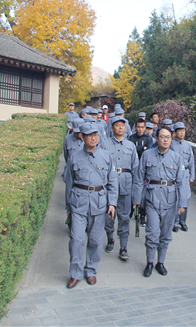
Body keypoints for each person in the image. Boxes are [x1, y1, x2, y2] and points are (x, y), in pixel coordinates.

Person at [63, 123, 118, 288]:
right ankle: (75, 273)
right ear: (82, 137)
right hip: (79, 204)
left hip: (99, 203)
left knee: (95, 240)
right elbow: (69, 184)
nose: (93, 138)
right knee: (76, 240)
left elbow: (113, 182)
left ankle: (91, 270)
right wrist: (68, 207)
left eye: (95, 134)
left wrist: (112, 204)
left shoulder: (106, 156)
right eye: (89, 135)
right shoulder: (75, 157)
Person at [132, 127, 188, 277]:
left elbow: (182, 182)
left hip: (170, 201)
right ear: (156, 138)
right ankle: (149, 262)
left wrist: (182, 204)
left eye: (168, 137)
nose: (165, 139)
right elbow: (139, 179)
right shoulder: (147, 155)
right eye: (162, 136)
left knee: (165, 234)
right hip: (151, 199)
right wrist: (136, 200)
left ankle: (160, 262)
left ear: (171, 139)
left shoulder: (177, 158)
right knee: (152, 233)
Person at [102, 117, 139, 260]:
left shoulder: (130, 146)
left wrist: (136, 193)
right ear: (112, 128)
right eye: (117, 126)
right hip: (109, 186)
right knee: (109, 216)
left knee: (124, 217)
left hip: (126, 185)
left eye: (122, 126)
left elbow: (135, 168)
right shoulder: (104, 145)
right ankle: (110, 238)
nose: (120, 128)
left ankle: (123, 247)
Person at [171, 122, 195, 232]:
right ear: (175, 132)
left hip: (185, 173)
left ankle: (183, 221)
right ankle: (174, 222)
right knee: (175, 198)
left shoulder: (188, 145)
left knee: (185, 198)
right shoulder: (171, 144)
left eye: (183, 130)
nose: (182, 132)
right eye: (179, 131)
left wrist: (192, 176)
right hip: (174, 174)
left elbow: (191, 162)